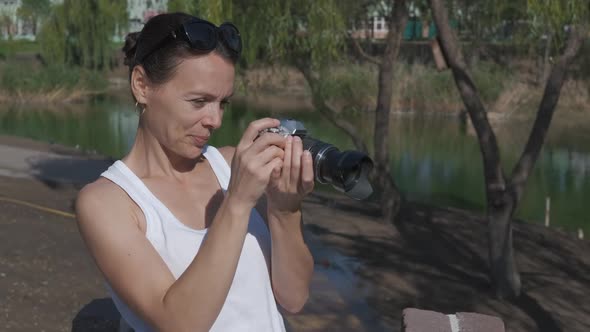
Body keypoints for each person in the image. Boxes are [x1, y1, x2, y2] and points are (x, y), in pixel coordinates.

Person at [75, 12, 315, 332]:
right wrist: (238, 204)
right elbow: (180, 322)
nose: (215, 120)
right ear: (142, 85)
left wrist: (285, 211)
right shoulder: (106, 202)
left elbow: (294, 299)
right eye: (199, 101)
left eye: (222, 103)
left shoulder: (231, 165)